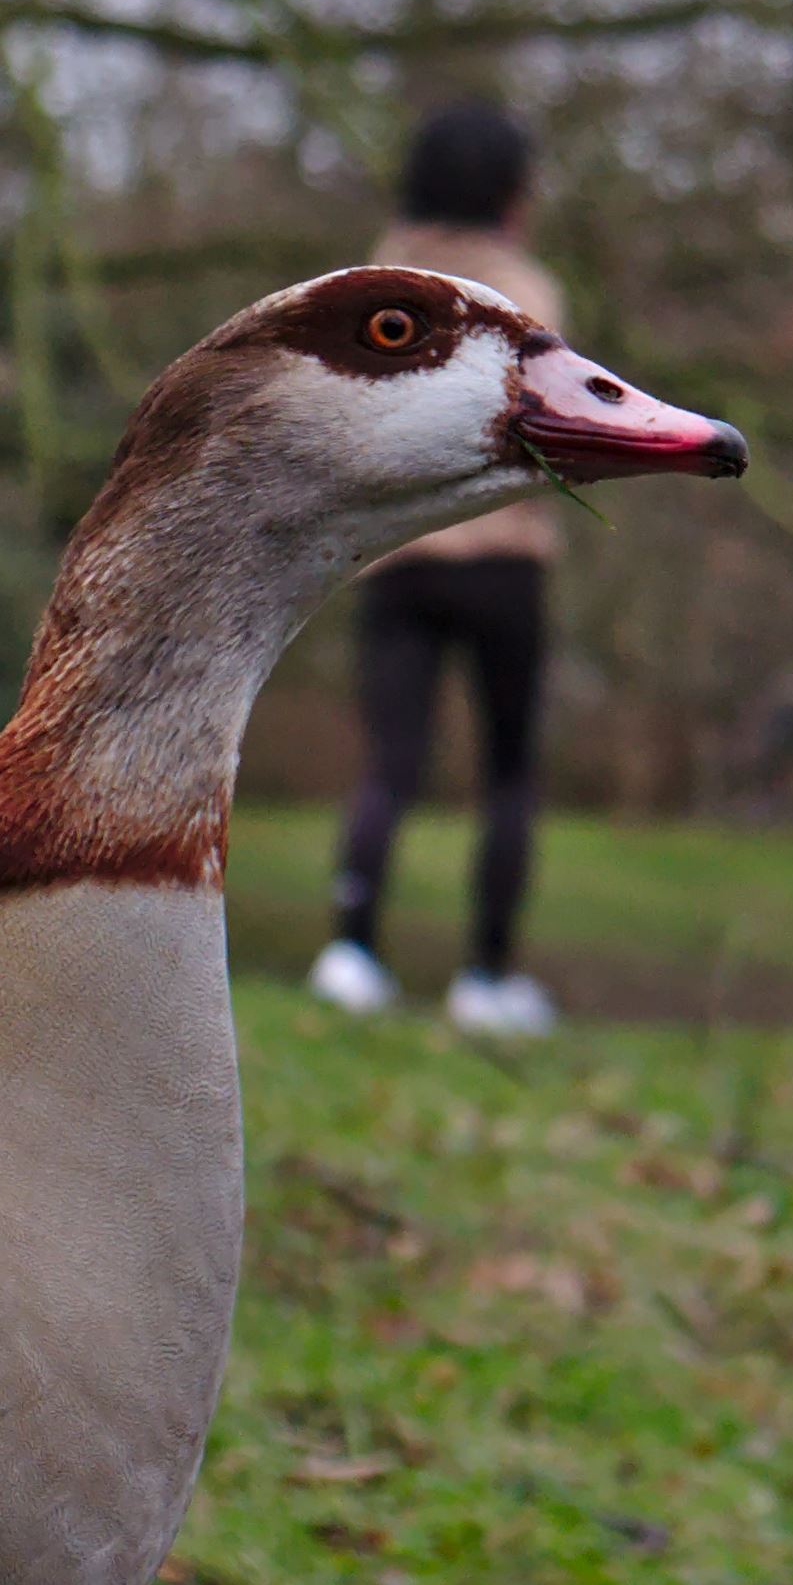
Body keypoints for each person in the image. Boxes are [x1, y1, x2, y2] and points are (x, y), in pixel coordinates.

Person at [311, 101, 566, 1036]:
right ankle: (488, 977)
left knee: (389, 763)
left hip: (397, 561)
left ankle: (351, 952)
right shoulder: (527, 294)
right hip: (503, 561)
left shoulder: (370, 286)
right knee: (509, 772)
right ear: (508, 194)